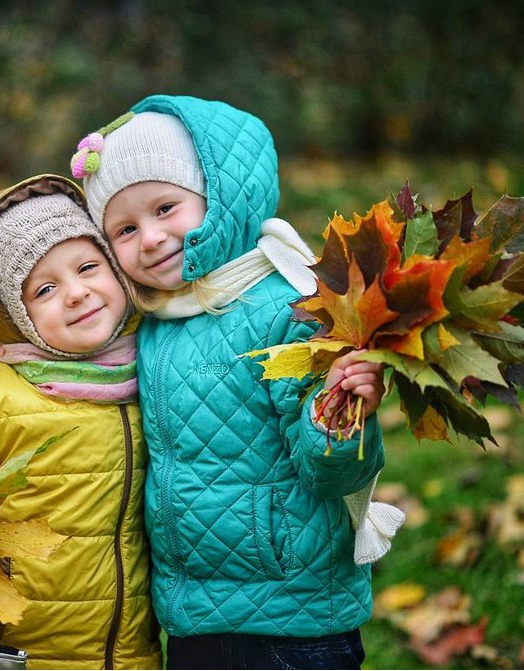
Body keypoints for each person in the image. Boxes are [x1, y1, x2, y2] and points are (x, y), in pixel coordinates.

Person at [68, 95, 405, 670]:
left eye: (166, 208)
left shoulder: (286, 309)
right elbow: (76, 351)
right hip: (192, 615)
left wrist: (342, 410)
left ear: (217, 198)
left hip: (291, 615)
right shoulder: (152, 320)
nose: (149, 238)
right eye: (124, 228)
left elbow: (333, 473)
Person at [0, 174, 161, 670]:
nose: (76, 293)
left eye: (89, 266)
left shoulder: (159, 370)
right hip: (12, 652)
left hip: (134, 652)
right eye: (45, 288)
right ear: (13, 314)